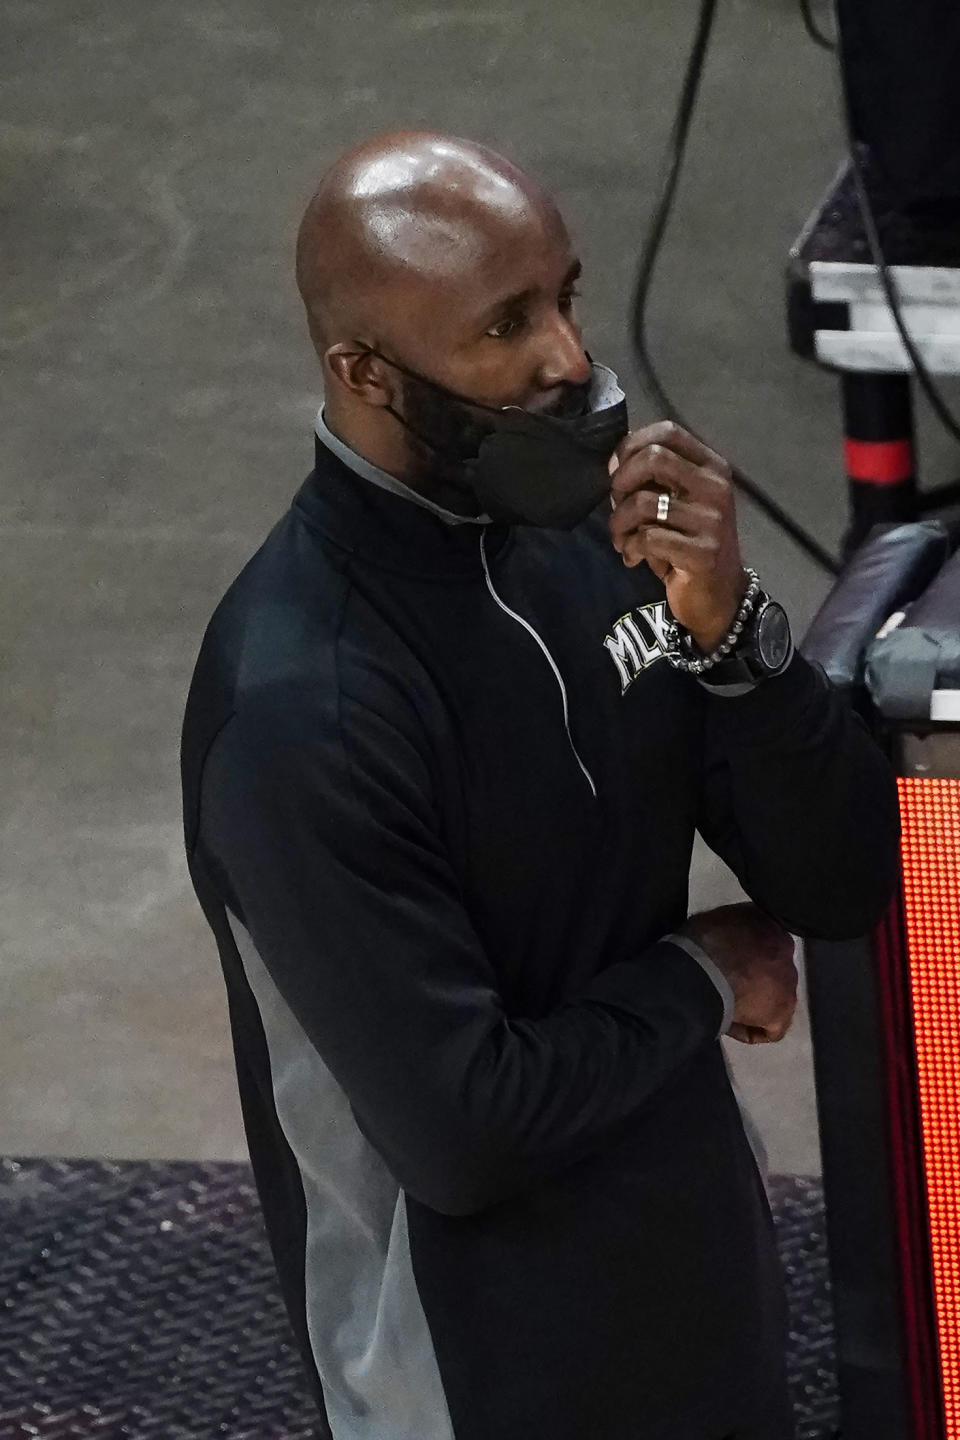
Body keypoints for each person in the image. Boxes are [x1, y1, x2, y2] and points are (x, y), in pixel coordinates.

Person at [180, 130, 902, 1440]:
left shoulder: (600, 543)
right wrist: (700, 975)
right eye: (506, 326)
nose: (569, 358)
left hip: (694, 1276)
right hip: (470, 1371)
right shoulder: (301, 711)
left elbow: (843, 880)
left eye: (565, 296)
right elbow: (464, 1134)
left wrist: (741, 639)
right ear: (365, 374)